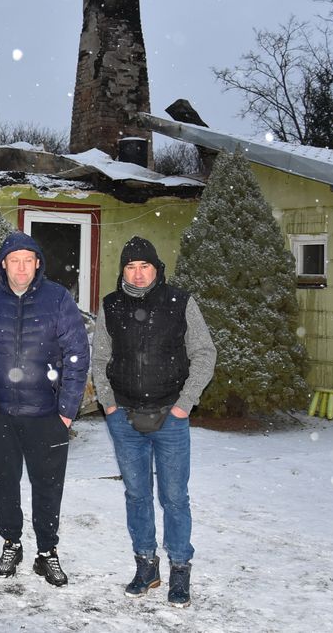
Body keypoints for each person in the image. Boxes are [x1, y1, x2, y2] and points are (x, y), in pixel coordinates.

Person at [91, 236, 217, 608]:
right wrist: (110, 406)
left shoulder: (180, 302)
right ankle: (146, 565)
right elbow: (100, 360)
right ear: (123, 271)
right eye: (131, 266)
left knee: (175, 497)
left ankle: (180, 567)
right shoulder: (111, 305)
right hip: (125, 418)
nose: (138, 273)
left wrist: (184, 404)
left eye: (145, 266)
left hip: (171, 418)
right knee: (137, 495)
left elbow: (204, 353)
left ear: (157, 269)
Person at [0, 231, 90, 587]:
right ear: (3, 263)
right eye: (13, 260)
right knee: (4, 482)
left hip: (47, 414)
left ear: (37, 263)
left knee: (48, 485)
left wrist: (66, 409)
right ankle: (12, 542)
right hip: (0, 415)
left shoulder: (58, 299)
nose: (21, 268)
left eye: (27, 260)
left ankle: (47, 551)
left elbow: (77, 355)